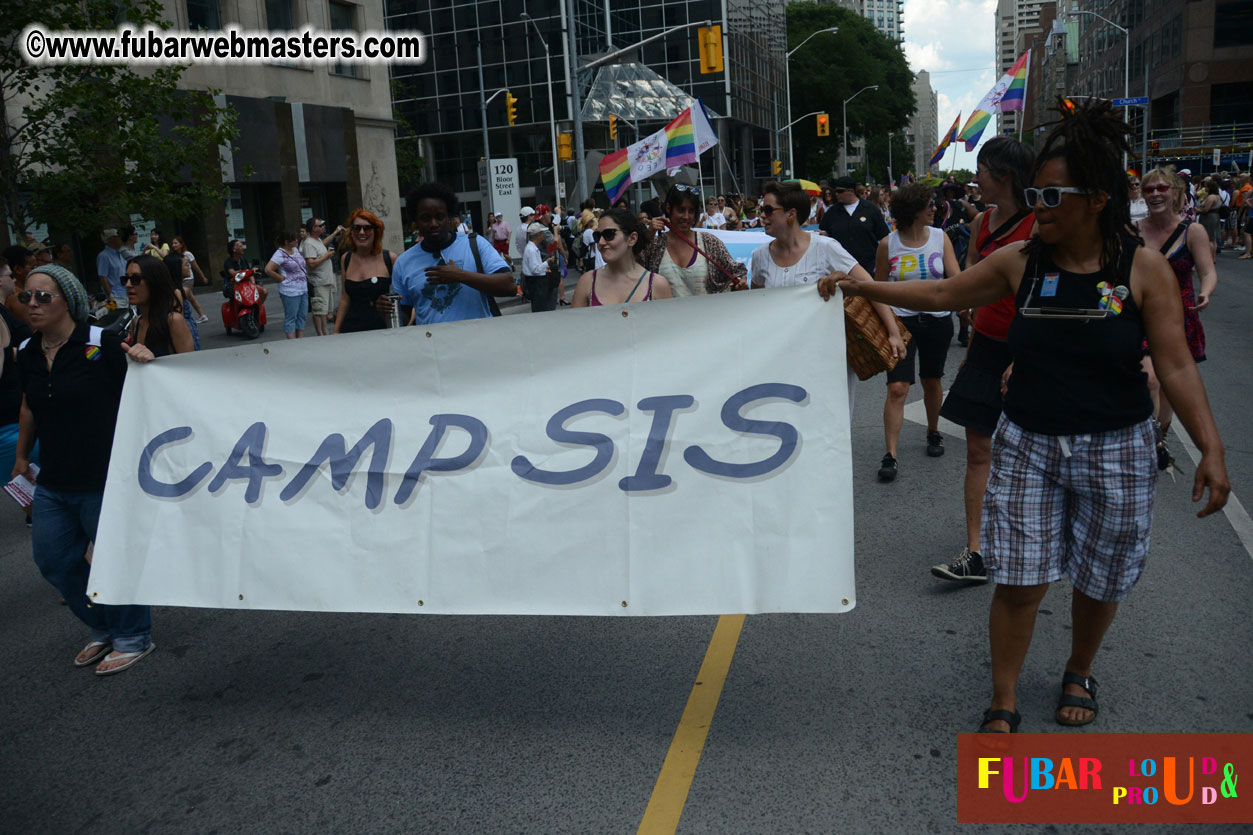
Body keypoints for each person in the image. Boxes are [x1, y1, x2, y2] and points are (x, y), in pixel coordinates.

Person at [823, 98, 1229, 733]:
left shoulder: (1141, 268)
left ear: (1096, 199)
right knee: (1018, 579)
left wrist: (1211, 447)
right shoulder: (1020, 262)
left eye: (1052, 195)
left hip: (1116, 446)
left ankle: (1078, 667)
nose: (1037, 206)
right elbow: (940, 293)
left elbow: (1175, 366)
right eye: (1035, 193)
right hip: (1030, 444)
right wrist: (862, 287)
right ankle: (1004, 694)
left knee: (1100, 577)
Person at [14, 264, 161, 675]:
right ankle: (103, 626)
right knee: (54, 560)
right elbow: (29, 405)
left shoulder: (101, 344)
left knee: (113, 559)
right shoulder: (27, 351)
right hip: (53, 480)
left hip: (104, 478)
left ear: (69, 301)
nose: (33, 304)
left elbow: (144, 387)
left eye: (44, 296)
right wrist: (23, 454)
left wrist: (146, 360)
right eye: (27, 296)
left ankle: (133, 634)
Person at [926, 137, 1036, 584]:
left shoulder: (1041, 224)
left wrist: (1027, 354)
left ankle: (1029, 541)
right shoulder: (982, 221)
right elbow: (970, 278)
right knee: (978, 449)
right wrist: (969, 335)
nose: (976, 179)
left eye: (983, 171)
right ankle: (977, 551)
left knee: (1032, 455)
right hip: (987, 346)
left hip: (1031, 350)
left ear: (1004, 175)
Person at [752, 181, 904, 421]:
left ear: (791, 214)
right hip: (781, 360)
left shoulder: (825, 248)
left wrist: (893, 332)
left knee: (830, 425)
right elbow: (757, 302)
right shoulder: (760, 256)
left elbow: (869, 287)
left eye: (769, 210)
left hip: (827, 359)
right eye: (762, 209)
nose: (762, 215)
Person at [873, 183, 960, 481]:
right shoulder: (888, 244)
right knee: (897, 387)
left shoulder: (940, 238)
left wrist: (968, 309)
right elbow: (879, 290)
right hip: (901, 324)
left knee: (932, 380)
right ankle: (891, 454)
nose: (935, 209)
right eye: (929, 205)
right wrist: (890, 329)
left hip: (937, 321)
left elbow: (956, 279)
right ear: (913, 210)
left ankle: (933, 431)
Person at [1136, 166, 1217, 469]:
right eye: (1149, 189)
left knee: (1169, 389)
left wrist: (1206, 292)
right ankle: (1147, 442)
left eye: (1161, 188)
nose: (1155, 194)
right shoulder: (1135, 230)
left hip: (1178, 317)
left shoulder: (1192, 231)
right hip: (1141, 316)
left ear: (1174, 192)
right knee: (1151, 379)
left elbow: (1207, 270)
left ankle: (1159, 437)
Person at [389, 182, 515, 325]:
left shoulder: (475, 243)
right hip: (431, 345)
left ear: (449, 217)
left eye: (439, 216)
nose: (433, 223)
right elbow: (404, 318)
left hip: (479, 343)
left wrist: (460, 275)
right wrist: (388, 312)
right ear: (415, 222)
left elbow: (509, 286)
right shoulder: (404, 262)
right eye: (425, 218)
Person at [641, 184, 747, 296]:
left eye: (691, 211)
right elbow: (635, 272)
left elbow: (738, 271)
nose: (686, 217)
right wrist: (648, 237)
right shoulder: (655, 244)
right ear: (668, 208)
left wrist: (740, 282)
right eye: (681, 210)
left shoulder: (710, 242)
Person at [0, 256, 37, 526]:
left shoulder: (4, 311)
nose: (14, 279)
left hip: (16, 414)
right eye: (9, 275)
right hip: (8, 422)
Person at [572, 209, 673, 307]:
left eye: (609, 234)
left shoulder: (657, 285)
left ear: (632, 239)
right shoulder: (587, 282)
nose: (601, 242)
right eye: (598, 236)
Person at [332, 209, 397, 334]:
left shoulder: (390, 259)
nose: (361, 232)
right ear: (351, 231)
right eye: (356, 228)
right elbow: (345, 298)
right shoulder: (346, 258)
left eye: (367, 228)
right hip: (352, 330)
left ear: (376, 231)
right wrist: (336, 330)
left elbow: (403, 297)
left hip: (382, 330)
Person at [122, 255, 195, 356]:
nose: (128, 285)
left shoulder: (173, 321)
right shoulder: (136, 323)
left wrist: (154, 362)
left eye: (135, 279)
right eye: (125, 279)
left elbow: (190, 366)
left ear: (154, 281)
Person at [818, 175, 891, 275]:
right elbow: (825, 234)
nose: (836, 194)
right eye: (835, 191)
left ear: (851, 191)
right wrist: (824, 235)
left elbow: (884, 237)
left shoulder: (870, 209)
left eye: (840, 191)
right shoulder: (832, 213)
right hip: (841, 269)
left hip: (868, 267)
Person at [265, 231, 309, 339]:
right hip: (290, 290)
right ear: (286, 242)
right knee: (291, 317)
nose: (297, 240)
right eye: (294, 239)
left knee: (302, 316)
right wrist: (280, 277)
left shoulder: (295, 249)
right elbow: (268, 269)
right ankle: (291, 341)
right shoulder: (279, 254)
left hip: (303, 288)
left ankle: (300, 340)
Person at [301, 217, 340, 336]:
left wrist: (335, 233)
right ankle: (321, 334)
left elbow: (325, 243)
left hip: (325, 280)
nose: (323, 226)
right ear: (313, 228)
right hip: (318, 282)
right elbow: (311, 263)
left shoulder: (317, 240)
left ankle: (325, 333)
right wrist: (326, 256)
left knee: (324, 311)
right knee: (318, 311)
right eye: (320, 225)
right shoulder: (308, 243)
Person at [170, 236, 210, 323]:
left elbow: (195, 266)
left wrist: (203, 277)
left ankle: (183, 317)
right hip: (180, 280)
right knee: (190, 298)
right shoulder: (174, 256)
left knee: (182, 296)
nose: (174, 245)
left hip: (188, 279)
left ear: (181, 244)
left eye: (176, 243)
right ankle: (202, 315)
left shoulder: (187, 254)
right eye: (173, 243)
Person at [521, 223, 558, 311]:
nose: (543, 236)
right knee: (540, 308)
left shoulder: (532, 248)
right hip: (536, 283)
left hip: (535, 282)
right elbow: (535, 270)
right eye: (541, 233)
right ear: (538, 235)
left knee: (539, 307)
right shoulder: (532, 250)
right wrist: (547, 263)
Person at [95, 228, 129, 307]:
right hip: (115, 296)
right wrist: (110, 295)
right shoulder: (104, 256)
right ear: (112, 239)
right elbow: (103, 277)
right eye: (118, 237)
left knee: (130, 317)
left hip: (126, 293)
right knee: (117, 316)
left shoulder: (120, 253)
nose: (120, 239)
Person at [1195, 177, 1223, 260]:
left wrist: (1198, 210)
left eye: (1206, 187)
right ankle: (1212, 257)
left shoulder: (1211, 197)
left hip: (1209, 218)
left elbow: (1206, 209)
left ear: (1210, 188)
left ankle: (1210, 257)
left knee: (1209, 238)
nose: (1205, 188)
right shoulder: (1218, 196)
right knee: (1213, 239)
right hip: (1215, 216)